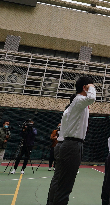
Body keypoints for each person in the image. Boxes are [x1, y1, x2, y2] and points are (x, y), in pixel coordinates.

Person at [45, 75, 96, 205]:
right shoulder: (79, 100)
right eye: (90, 86)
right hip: (72, 145)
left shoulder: (75, 105)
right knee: (65, 185)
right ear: (84, 88)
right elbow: (91, 98)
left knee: (61, 181)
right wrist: (91, 87)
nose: (93, 88)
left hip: (69, 144)